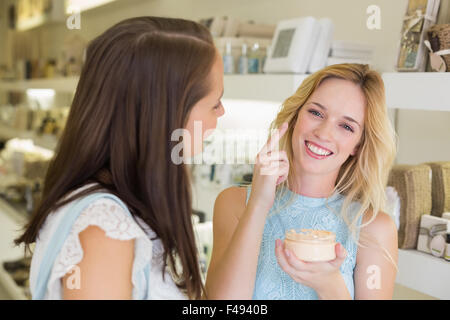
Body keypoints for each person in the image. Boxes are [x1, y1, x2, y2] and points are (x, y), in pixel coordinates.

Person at [14, 16, 224, 300]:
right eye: (214, 102)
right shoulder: (103, 232)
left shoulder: (114, 212)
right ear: (166, 114)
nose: (221, 112)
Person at [206, 63, 398, 300]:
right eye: (316, 113)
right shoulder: (234, 203)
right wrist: (258, 203)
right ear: (296, 116)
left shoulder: (373, 229)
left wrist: (330, 285)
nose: (324, 133)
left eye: (346, 126)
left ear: (358, 146)